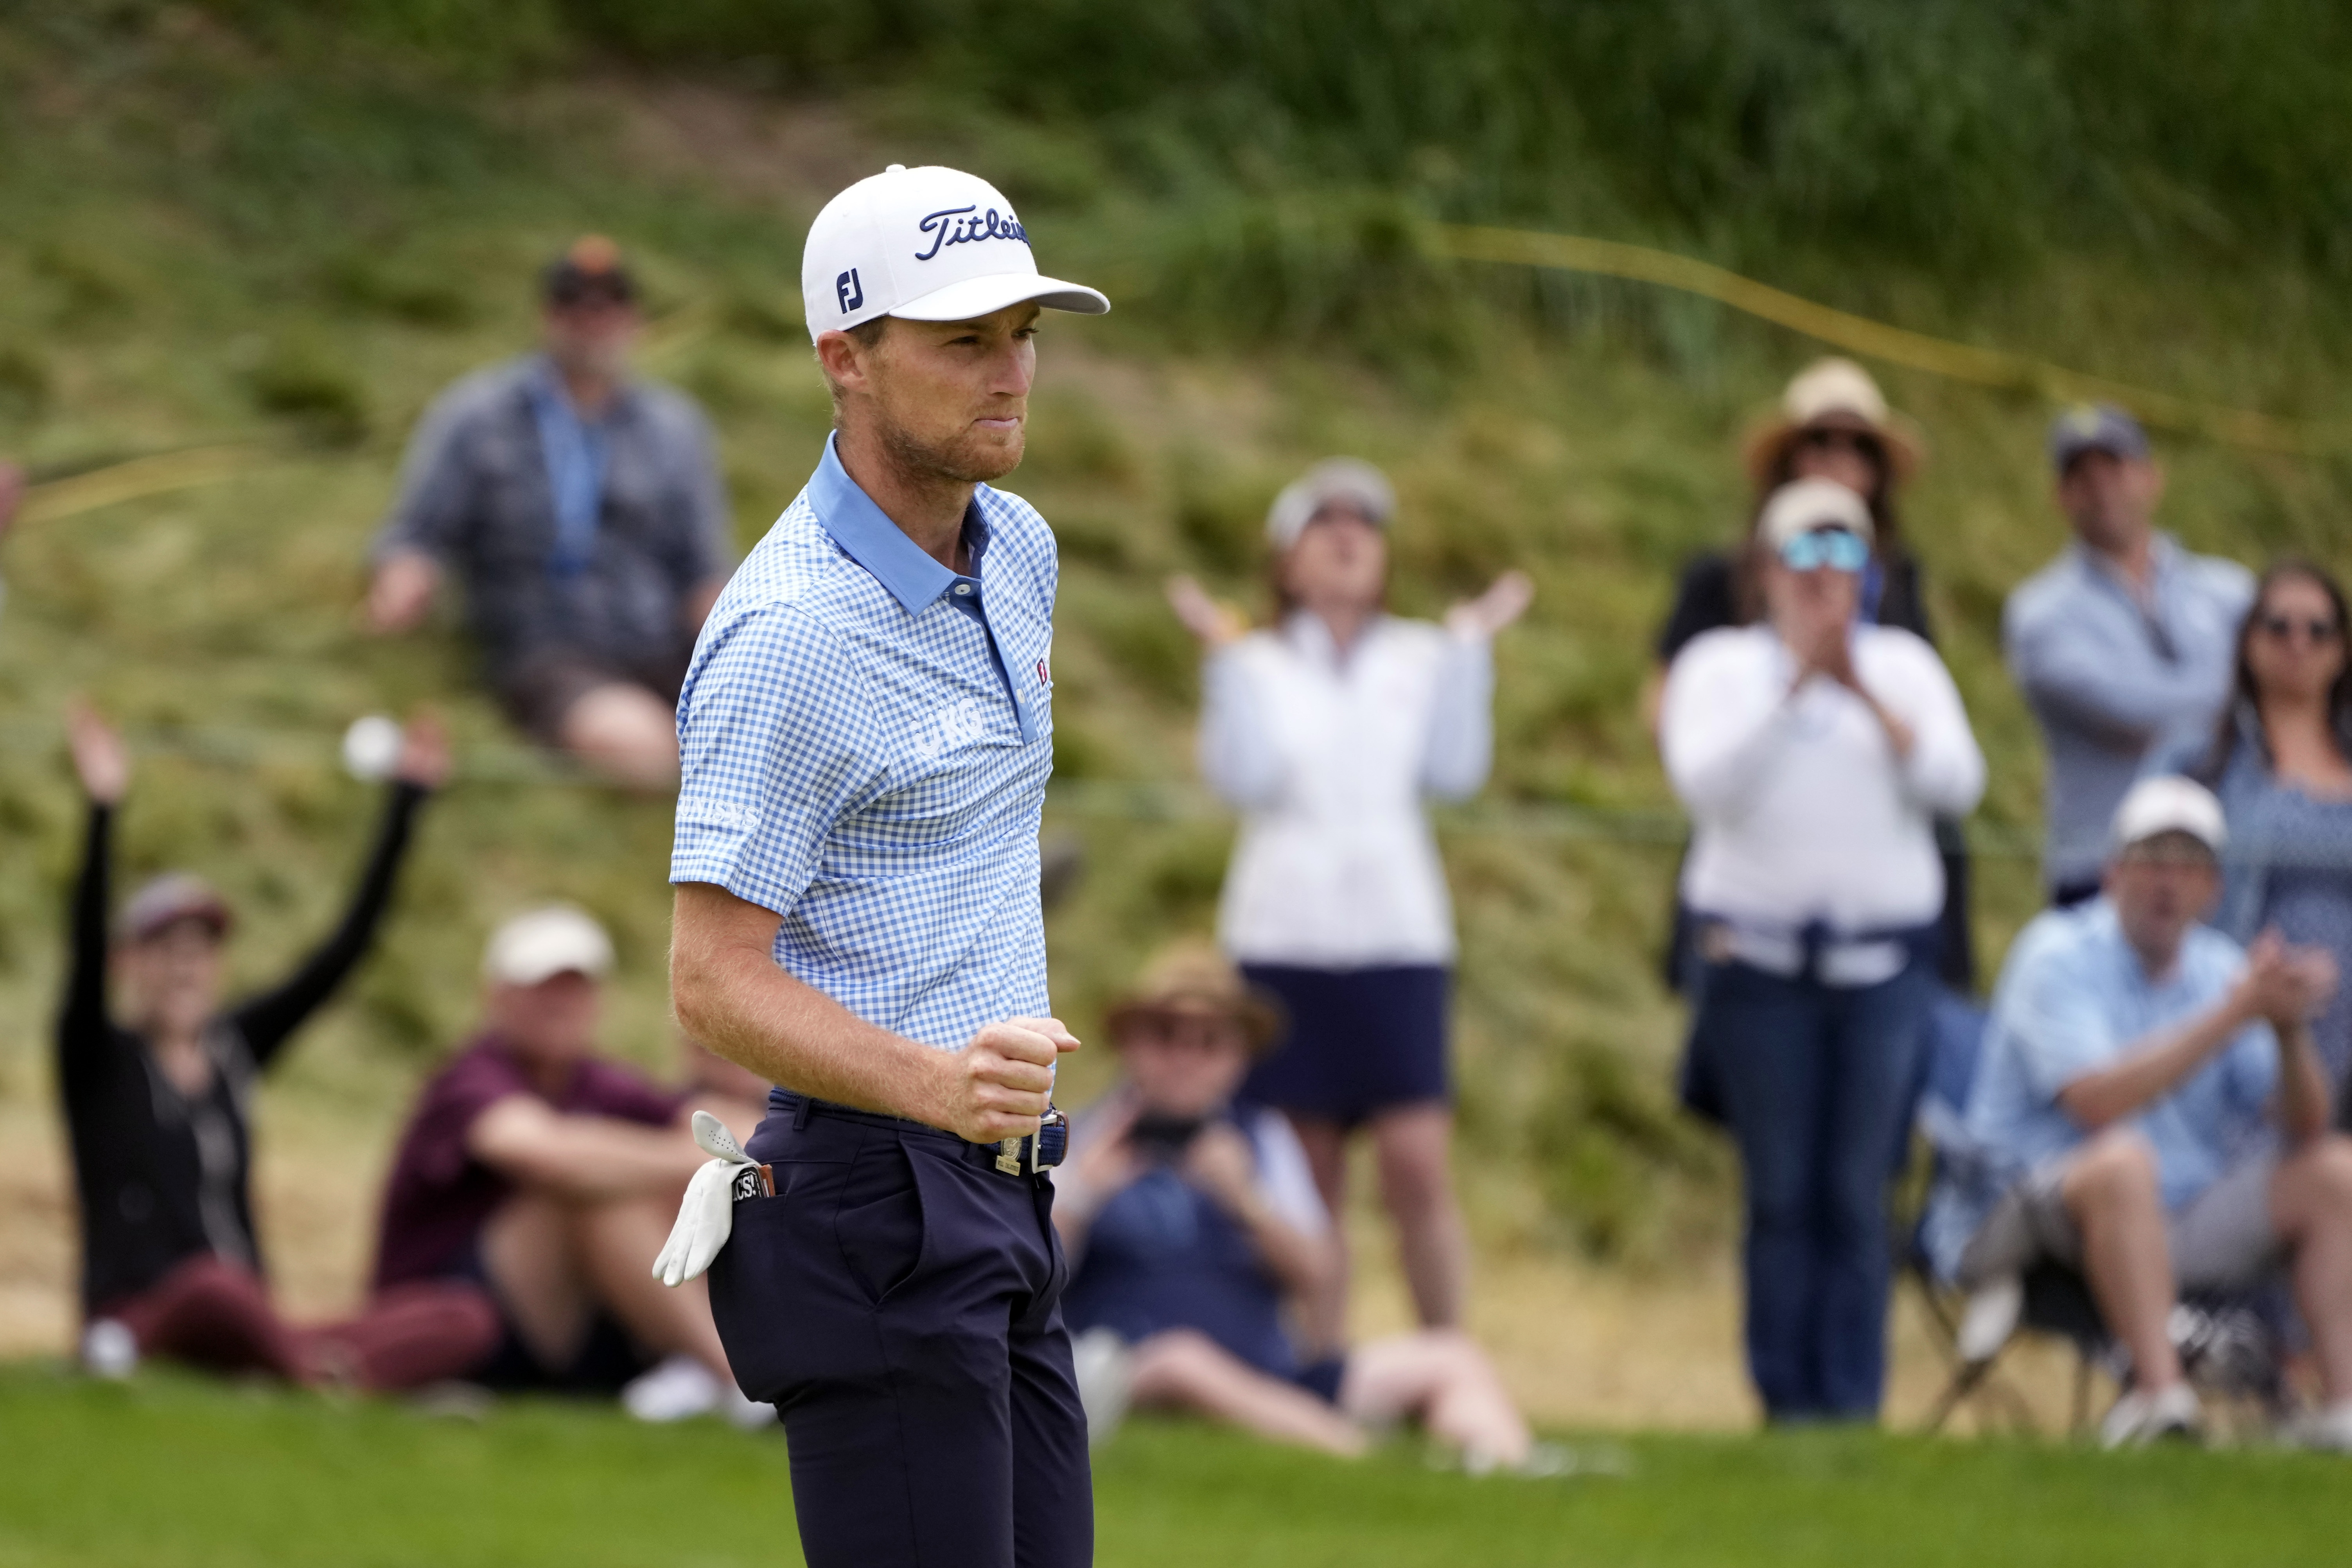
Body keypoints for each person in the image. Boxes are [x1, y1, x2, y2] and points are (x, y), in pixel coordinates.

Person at [664, 163, 1108, 1568]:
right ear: (843, 357)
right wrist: (933, 1083)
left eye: (1022, 334)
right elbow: (709, 982)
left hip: (1001, 1189)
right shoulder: (787, 633)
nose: (1009, 373)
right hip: (872, 1204)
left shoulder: (1020, 547)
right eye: (963, 340)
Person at [1164, 458, 1531, 1348]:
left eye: (1362, 524)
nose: (1346, 535)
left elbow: (1455, 771)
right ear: (1287, 559)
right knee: (1310, 1170)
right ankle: (1324, 1369)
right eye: (1323, 523)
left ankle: (1448, 1358)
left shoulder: (1422, 654)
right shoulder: (1252, 658)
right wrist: (1221, 663)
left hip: (1399, 940)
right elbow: (1245, 777)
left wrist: (1472, 655)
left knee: (1417, 1166)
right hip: (1283, 941)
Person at [1661, 478, 1986, 1422]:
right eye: (1805, 553)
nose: (1824, 574)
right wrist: (1796, 685)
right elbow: (1706, 785)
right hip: (1757, 969)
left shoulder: (1906, 667)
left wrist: (1863, 692)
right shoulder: (1721, 667)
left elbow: (1955, 781)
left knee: (1858, 1193)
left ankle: (1852, 1404)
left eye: (1845, 553)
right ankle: (1784, 1399)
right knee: (1781, 1192)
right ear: (1766, 569)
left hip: (1881, 974)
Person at [58, 701, 495, 1391]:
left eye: (200, 952)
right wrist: (104, 809)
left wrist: (406, 805)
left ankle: (303, 1371)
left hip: (254, 1324)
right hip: (144, 1320)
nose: (184, 967)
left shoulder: (234, 1050)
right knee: (212, 1288)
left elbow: (340, 955)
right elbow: (79, 955)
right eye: (165, 950)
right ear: (128, 965)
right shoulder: (97, 1061)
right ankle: (318, 1379)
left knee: (464, 1316)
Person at [1924, 778, 2352, 1450]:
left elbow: (2304, 1124)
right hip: (2028, 1210)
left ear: (2211, 888)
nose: (2167, 883)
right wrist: (2233, 1015)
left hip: (2177, 1213)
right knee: (2125, 1162)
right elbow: (2096, 1101)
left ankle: (2338, 1414)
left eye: (2187, 866)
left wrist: (2285, 1029)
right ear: (2112, 872)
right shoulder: (2054, 953)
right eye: (2151, 860)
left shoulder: (2218, 969)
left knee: (2333, 1170)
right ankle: (2160, 1402)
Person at [1054, 945, 1539, 1470]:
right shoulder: (1079, 1136)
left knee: (1450, 1357)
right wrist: (1084, 1192)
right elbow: (1029, 1275)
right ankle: (1368, 1461)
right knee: (1184, 1360)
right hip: (1132, 1363)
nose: (1185, 1057)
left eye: (1210, 1041)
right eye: (1166, 1034)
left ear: (1238, 1057)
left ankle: (1509, 1468)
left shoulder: (1262, 1139)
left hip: (1267, 1365)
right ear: (1130, 1044)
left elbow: (1317, 1275)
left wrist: (1246, 1200)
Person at [1645, 358, 1975, 992]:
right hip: (1755, 842)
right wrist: (1763, 727)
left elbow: (1941, 740)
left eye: (1857, 447)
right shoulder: (1719, 579)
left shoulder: (1901, 583)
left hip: (1885, 852)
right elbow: (1666, 708)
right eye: (1819, 441)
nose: (1837, 459)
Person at [369, 906, 763, 1426]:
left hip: (552, 1326)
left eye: (576, 988)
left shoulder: (598, 1081)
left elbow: (731, 1127)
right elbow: (540, 1153)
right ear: (496, 995)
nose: (561, 1002)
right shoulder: (471, 1076)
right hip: (449, 1319)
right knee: (595, 1193)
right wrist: (695, 1156)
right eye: (542, 987)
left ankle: (722, 1367)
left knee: (670, 1179)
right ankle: (738, 1381)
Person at [365, 236, 733, 789]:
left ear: (633, 320)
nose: (592, 320)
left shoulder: (675, 427)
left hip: (659, 640)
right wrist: (402, 581)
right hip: (548, 650)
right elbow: (416, 534)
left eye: (608, 306)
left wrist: (740, 647)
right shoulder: (477, 415)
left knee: (784, 716)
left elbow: (703, 569)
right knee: (637, 748)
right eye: (575, 305)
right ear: (548, 316)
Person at [2005, 404, 2253, 905]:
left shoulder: (2228, 589)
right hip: (2099, 868)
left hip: (2225, 863)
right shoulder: (2039, 614)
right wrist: (2248, 696)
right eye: (2080, 476)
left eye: (2113, 468)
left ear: (2150, 478)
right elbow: (2129, 711)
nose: (2100, 487)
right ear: (2060, 496)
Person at [2160, 561, 2352, 1113]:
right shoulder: (2201, 762)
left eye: (2317, 629)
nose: (2298, 642)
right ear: (2247, 642)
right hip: (2246, 1011)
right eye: (2278, 626)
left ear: (2340, 650)